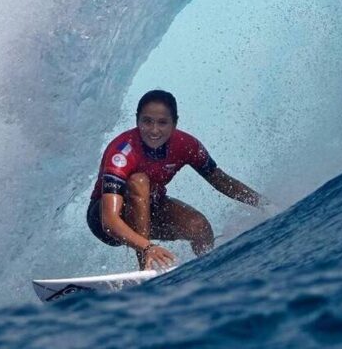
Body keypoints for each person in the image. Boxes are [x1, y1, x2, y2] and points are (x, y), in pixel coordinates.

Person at [87, 90, 268, 270]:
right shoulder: (122, 151)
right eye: (147, 121)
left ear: (175, 123)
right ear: (137, 120)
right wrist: (147, 247)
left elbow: (220, 180)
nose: (154, 130)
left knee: (199, 227)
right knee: (139, 181)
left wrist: (264, 204)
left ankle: (210, 270)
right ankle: (145, 268)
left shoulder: (186, 145)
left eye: (162, 122)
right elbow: (109, 221)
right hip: (105, 220)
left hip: (150, 210)